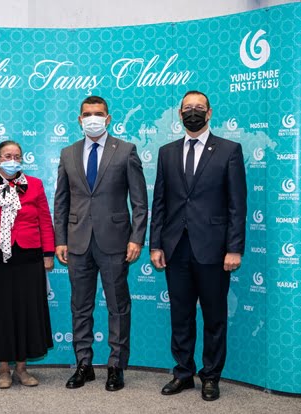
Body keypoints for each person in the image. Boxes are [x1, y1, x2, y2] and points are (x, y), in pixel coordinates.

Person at [149, 90, 247, 401]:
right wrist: (155, 245)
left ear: (209, 112)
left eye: (199, 107)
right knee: (181, 315)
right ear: (180, 114)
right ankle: (183, 373)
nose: (193, 112)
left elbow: (237, 205)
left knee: (214, 317)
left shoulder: (229, 150)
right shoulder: (166, 152)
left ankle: (211, 376)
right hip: (175, 247)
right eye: (188, 107)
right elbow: (160, 202)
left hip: (214, 250)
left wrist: (234, 248)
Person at [54, 96, 148, 392]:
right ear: (79, 119)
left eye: (98, 114)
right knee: (80, 306)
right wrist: (60, 240)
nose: (92, 118)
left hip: (115, 241)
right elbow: (61, 201)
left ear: (108, 118)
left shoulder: (126, 150)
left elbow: (140, 202)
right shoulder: (68, 153)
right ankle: (83, 364)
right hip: (77, 242)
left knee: (118, 306)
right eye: (87, 114)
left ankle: (116, 365)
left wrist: (136, 238)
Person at [0, 140, 55, 389]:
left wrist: (48, 253)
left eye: (17, 156)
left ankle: (22, 368)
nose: (13, 160)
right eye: (7, 156)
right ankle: (4, 369)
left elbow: (45, 220)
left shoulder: (34, 185)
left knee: (27, 312)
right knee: (1, 314)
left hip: (29, 257)